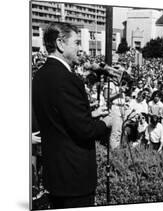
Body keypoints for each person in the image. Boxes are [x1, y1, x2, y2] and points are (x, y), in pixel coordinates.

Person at [32, 22, 112, 209]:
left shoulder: (40, 76)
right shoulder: (67, 79)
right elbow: (84, 130)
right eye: (76, 43)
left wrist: (91, 114)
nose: (80, 48)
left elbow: (59, 119)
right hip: (74, 178)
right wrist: (105, 122)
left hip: (56, 174)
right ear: (60, 44)